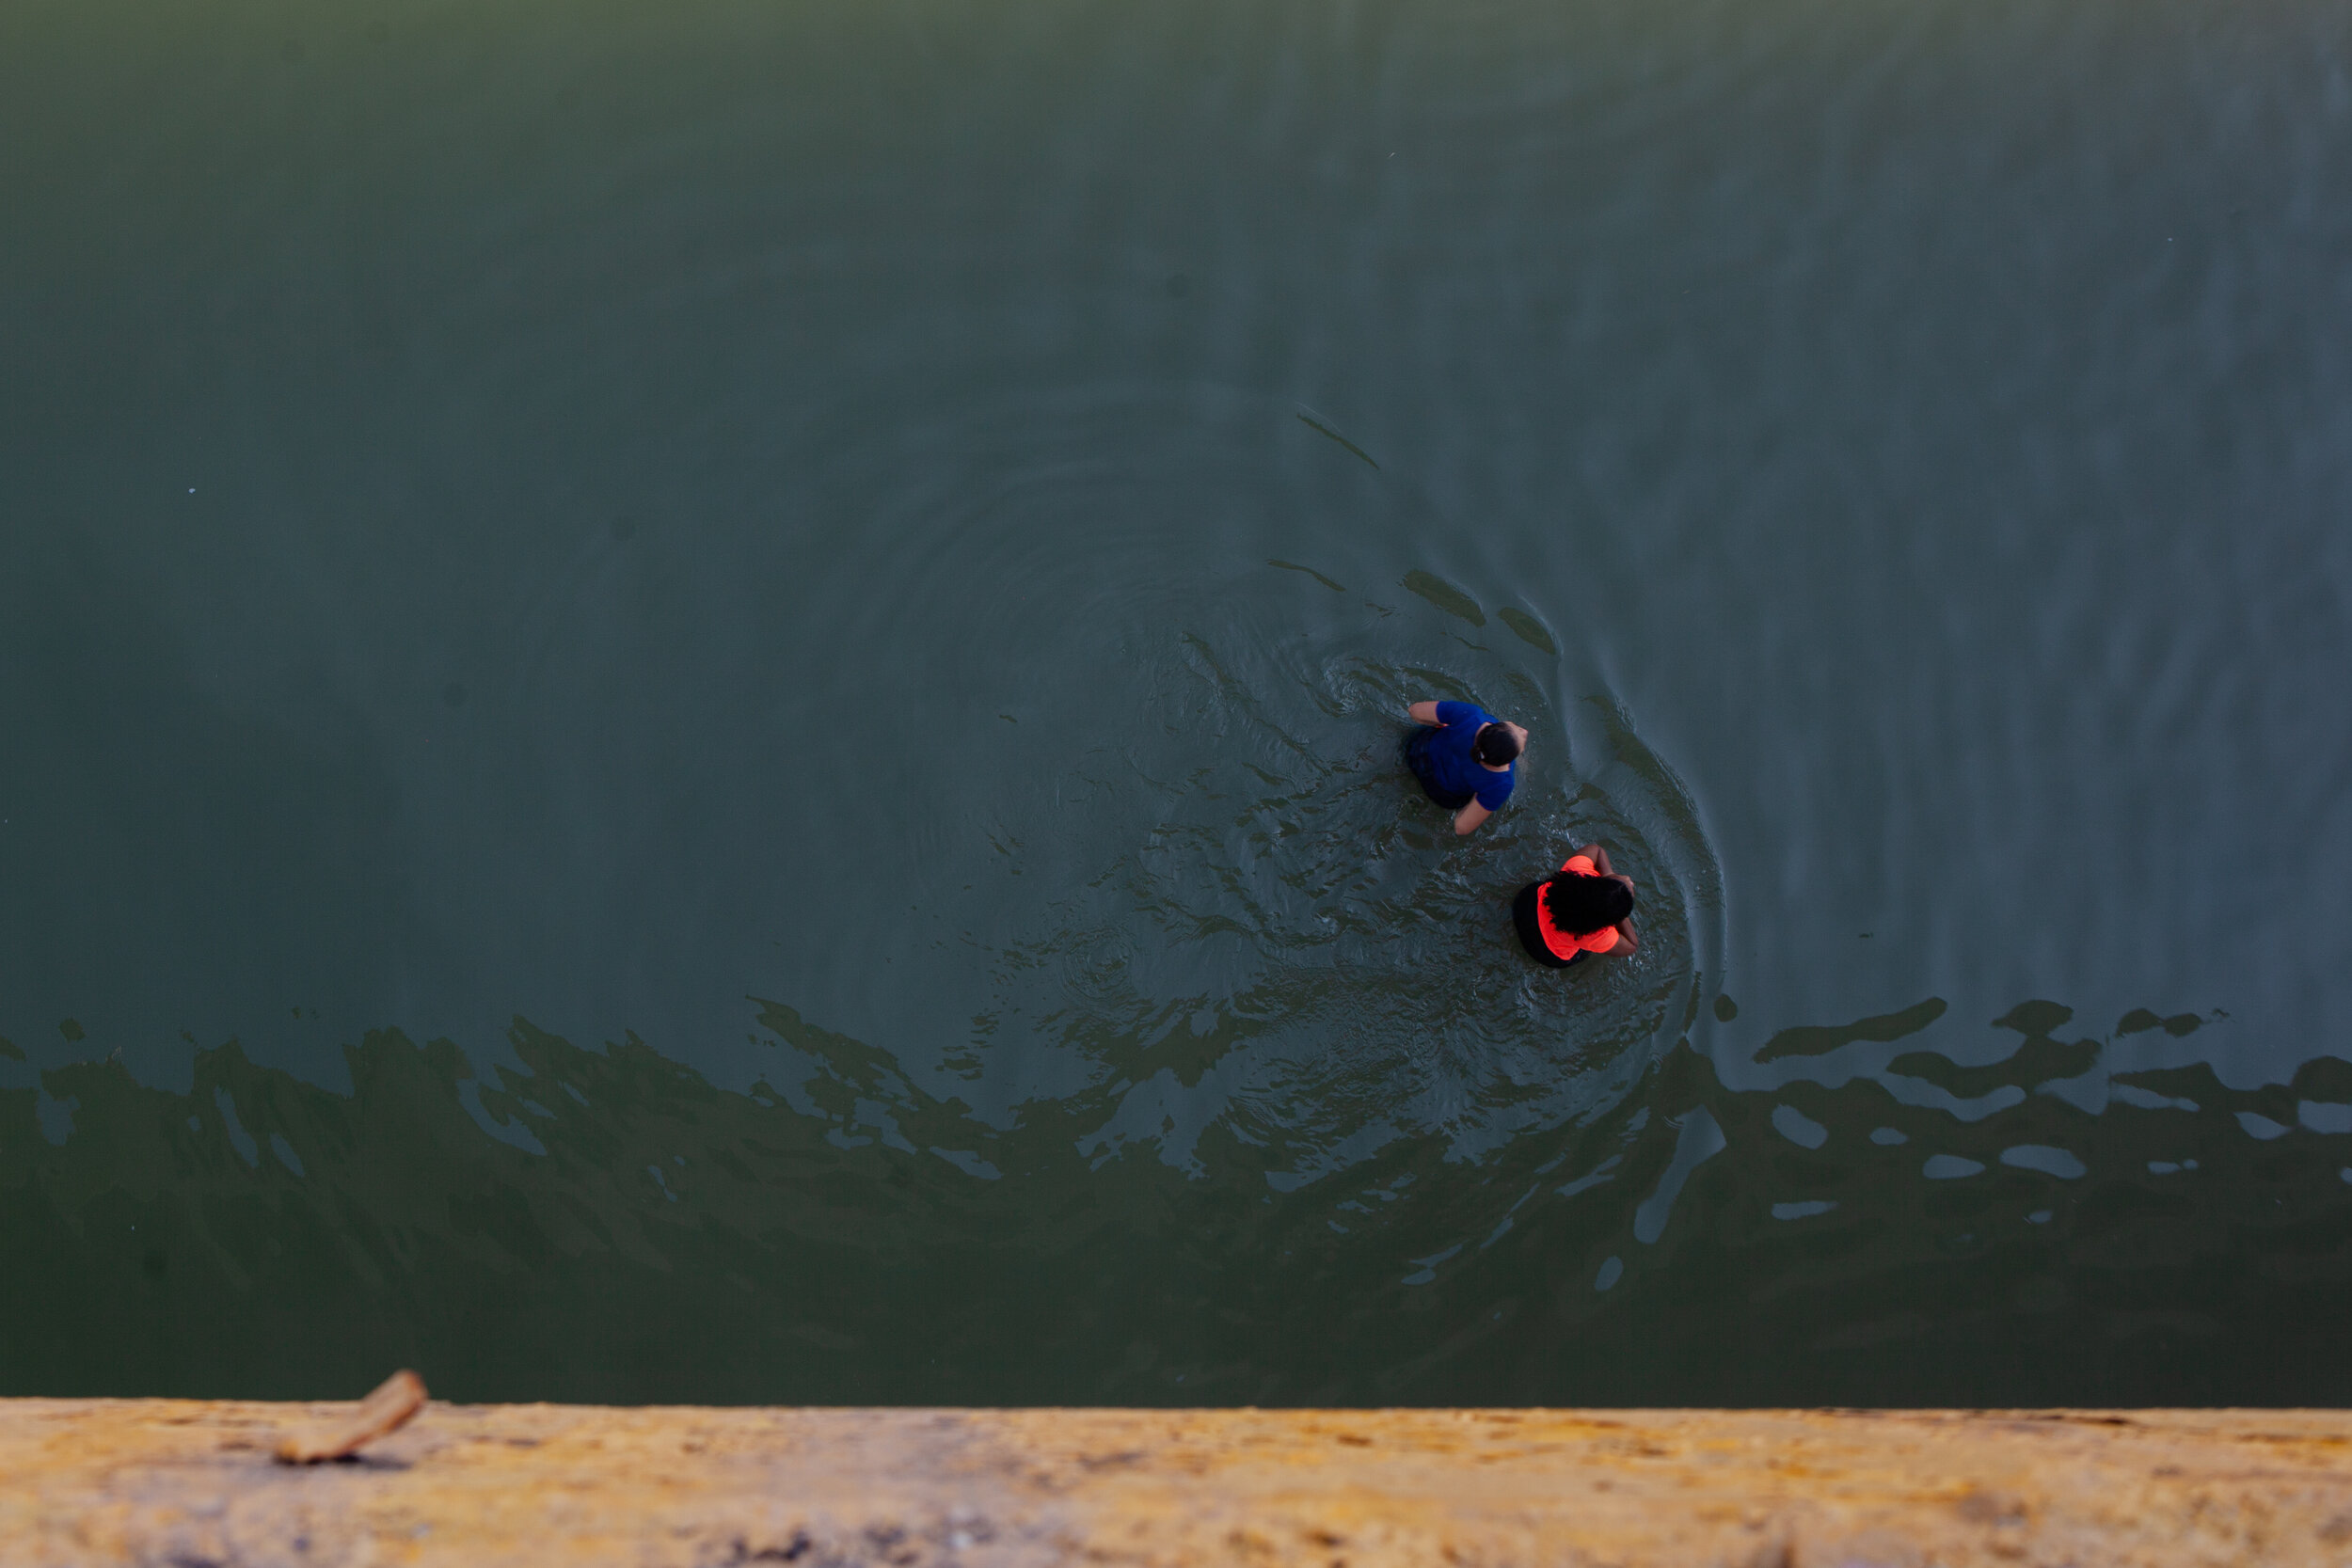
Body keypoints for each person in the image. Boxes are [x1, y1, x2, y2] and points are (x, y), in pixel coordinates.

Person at [1405, 699, 1527, 836]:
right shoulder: (1501, 784)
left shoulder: (1471, 716)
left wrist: (1441, 724)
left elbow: (1414, 711)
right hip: (1439, 792)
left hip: (1418, 751)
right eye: (1519, 730)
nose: (1525, 731)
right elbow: (1460, 827)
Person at [1513, 843, 1639, 969]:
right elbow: (1631, 945)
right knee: (1583, 953)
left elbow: (1597, 850)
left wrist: (1610, 876)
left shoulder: (1578, 872)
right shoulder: (1597, 936)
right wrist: (1619, 911)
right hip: (1542, 952)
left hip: (1524, 905)